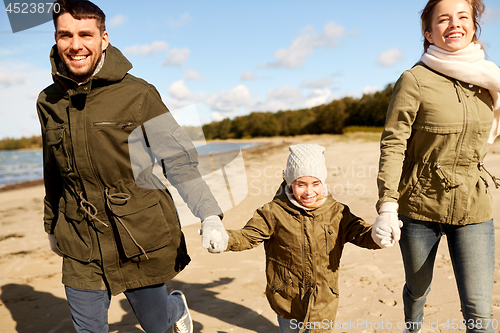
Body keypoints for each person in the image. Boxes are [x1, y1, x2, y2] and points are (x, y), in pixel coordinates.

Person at [36, 0, 229, 332]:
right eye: (65, 35)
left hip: (138, 233)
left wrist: (209, 215)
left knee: (155, 324)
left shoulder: (139, 94)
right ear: (55, 39)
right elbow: (52, 171)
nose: (76, 45)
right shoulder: (47, 100)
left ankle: (173, 307)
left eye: (86, 34)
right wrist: (52, 224)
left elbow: (178, 161)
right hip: (79, 235)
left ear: (104, 38)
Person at [373, 0, 500, 332]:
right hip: (419, 207)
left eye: (462, 17)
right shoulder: (414, 79)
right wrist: (387, 204)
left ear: (473, 27)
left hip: (474, 205)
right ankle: (412, 327)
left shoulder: (490, 80)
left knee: (479, 311)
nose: (454, 24)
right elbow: (393, 144)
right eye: (443, 19)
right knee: (418, 289)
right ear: (428, 33)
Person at [218, 144, 382, 333]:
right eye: (301, 184)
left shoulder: (337, 212)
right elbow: (248, 236)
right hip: (287, 298)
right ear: (289, 182)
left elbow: (361, 234)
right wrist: (226, 239)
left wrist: (377, 235)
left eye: (315, 184)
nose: (309, 192)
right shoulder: (273, 212)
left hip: (323, 299)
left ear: (323, 183)